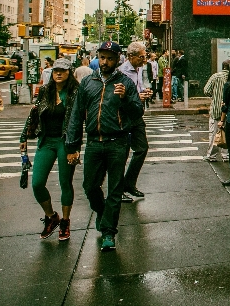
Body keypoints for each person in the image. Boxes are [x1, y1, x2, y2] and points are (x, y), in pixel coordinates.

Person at [66, 41, 142, 252]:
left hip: (117, 142)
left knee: (115, 190)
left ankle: (109, 231)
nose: (105, 62)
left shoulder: (125, 83)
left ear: (118, 60)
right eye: (102, 57)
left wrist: (125, 99)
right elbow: (76, 115)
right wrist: (72, 145)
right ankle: (102, 212)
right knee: (90, 187)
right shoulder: (88, 83)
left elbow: (137, 112)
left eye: (109, 58)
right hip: (93, 143)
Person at [20, 58, 79, 241]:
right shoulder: (45, 90)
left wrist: (74, 147)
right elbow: (34, 114)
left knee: (65, 183)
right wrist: (23, 137)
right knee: (37, 183)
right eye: (55, 71)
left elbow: (77, 122)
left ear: (69, 73)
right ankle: (52, 216)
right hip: (46, 140)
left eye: (62, 70)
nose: (58, 74)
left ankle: (65, 222)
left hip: (65, 142)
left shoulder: (75, 92)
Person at [119, 42, 152, 200]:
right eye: (141, 57)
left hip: (137, 115)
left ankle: (129, 184)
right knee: (122, 154)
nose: (144, 60)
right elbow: (117, 96)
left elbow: (138, 87)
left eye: (144, 56)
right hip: (125, 116)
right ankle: (119, 190)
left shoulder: (139, 69)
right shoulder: (121, 72)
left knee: (142, 148)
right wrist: (135, 97)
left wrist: (144, 92)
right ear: (131, 57)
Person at [203, 60, 230, 162]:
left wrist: (214, 96)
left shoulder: (215, 77)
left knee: (213, 133)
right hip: (229, 110)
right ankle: (225, 155)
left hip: (215, 109)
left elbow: (206, 90)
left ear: (222, 67)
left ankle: (211, 155)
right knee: (226, 133)